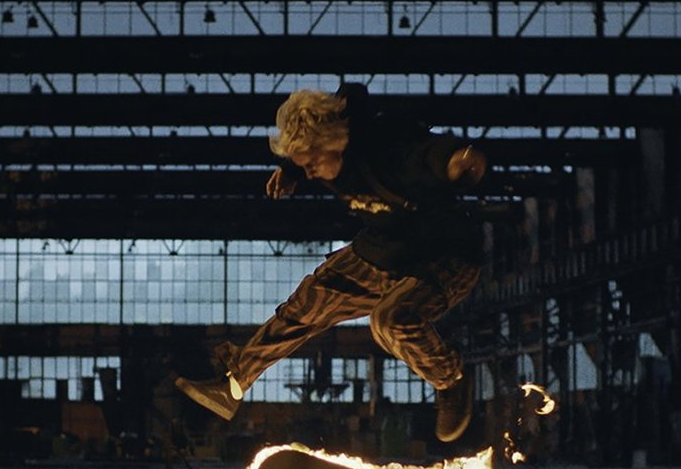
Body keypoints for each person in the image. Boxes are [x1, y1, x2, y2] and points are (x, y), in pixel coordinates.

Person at [175, 83, 489, 442]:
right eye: (303, 166)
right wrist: (291, 170)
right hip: (385, 248)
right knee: (308, 302)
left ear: (332, 142)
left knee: (390, 320)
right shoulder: (326, 146)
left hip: (443, 257)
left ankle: (452, 381)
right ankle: (231, 386)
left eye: (311, 164)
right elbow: (323, 125)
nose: (311, 174)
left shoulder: (389, 151)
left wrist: (456, 161)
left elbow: (430, 154)